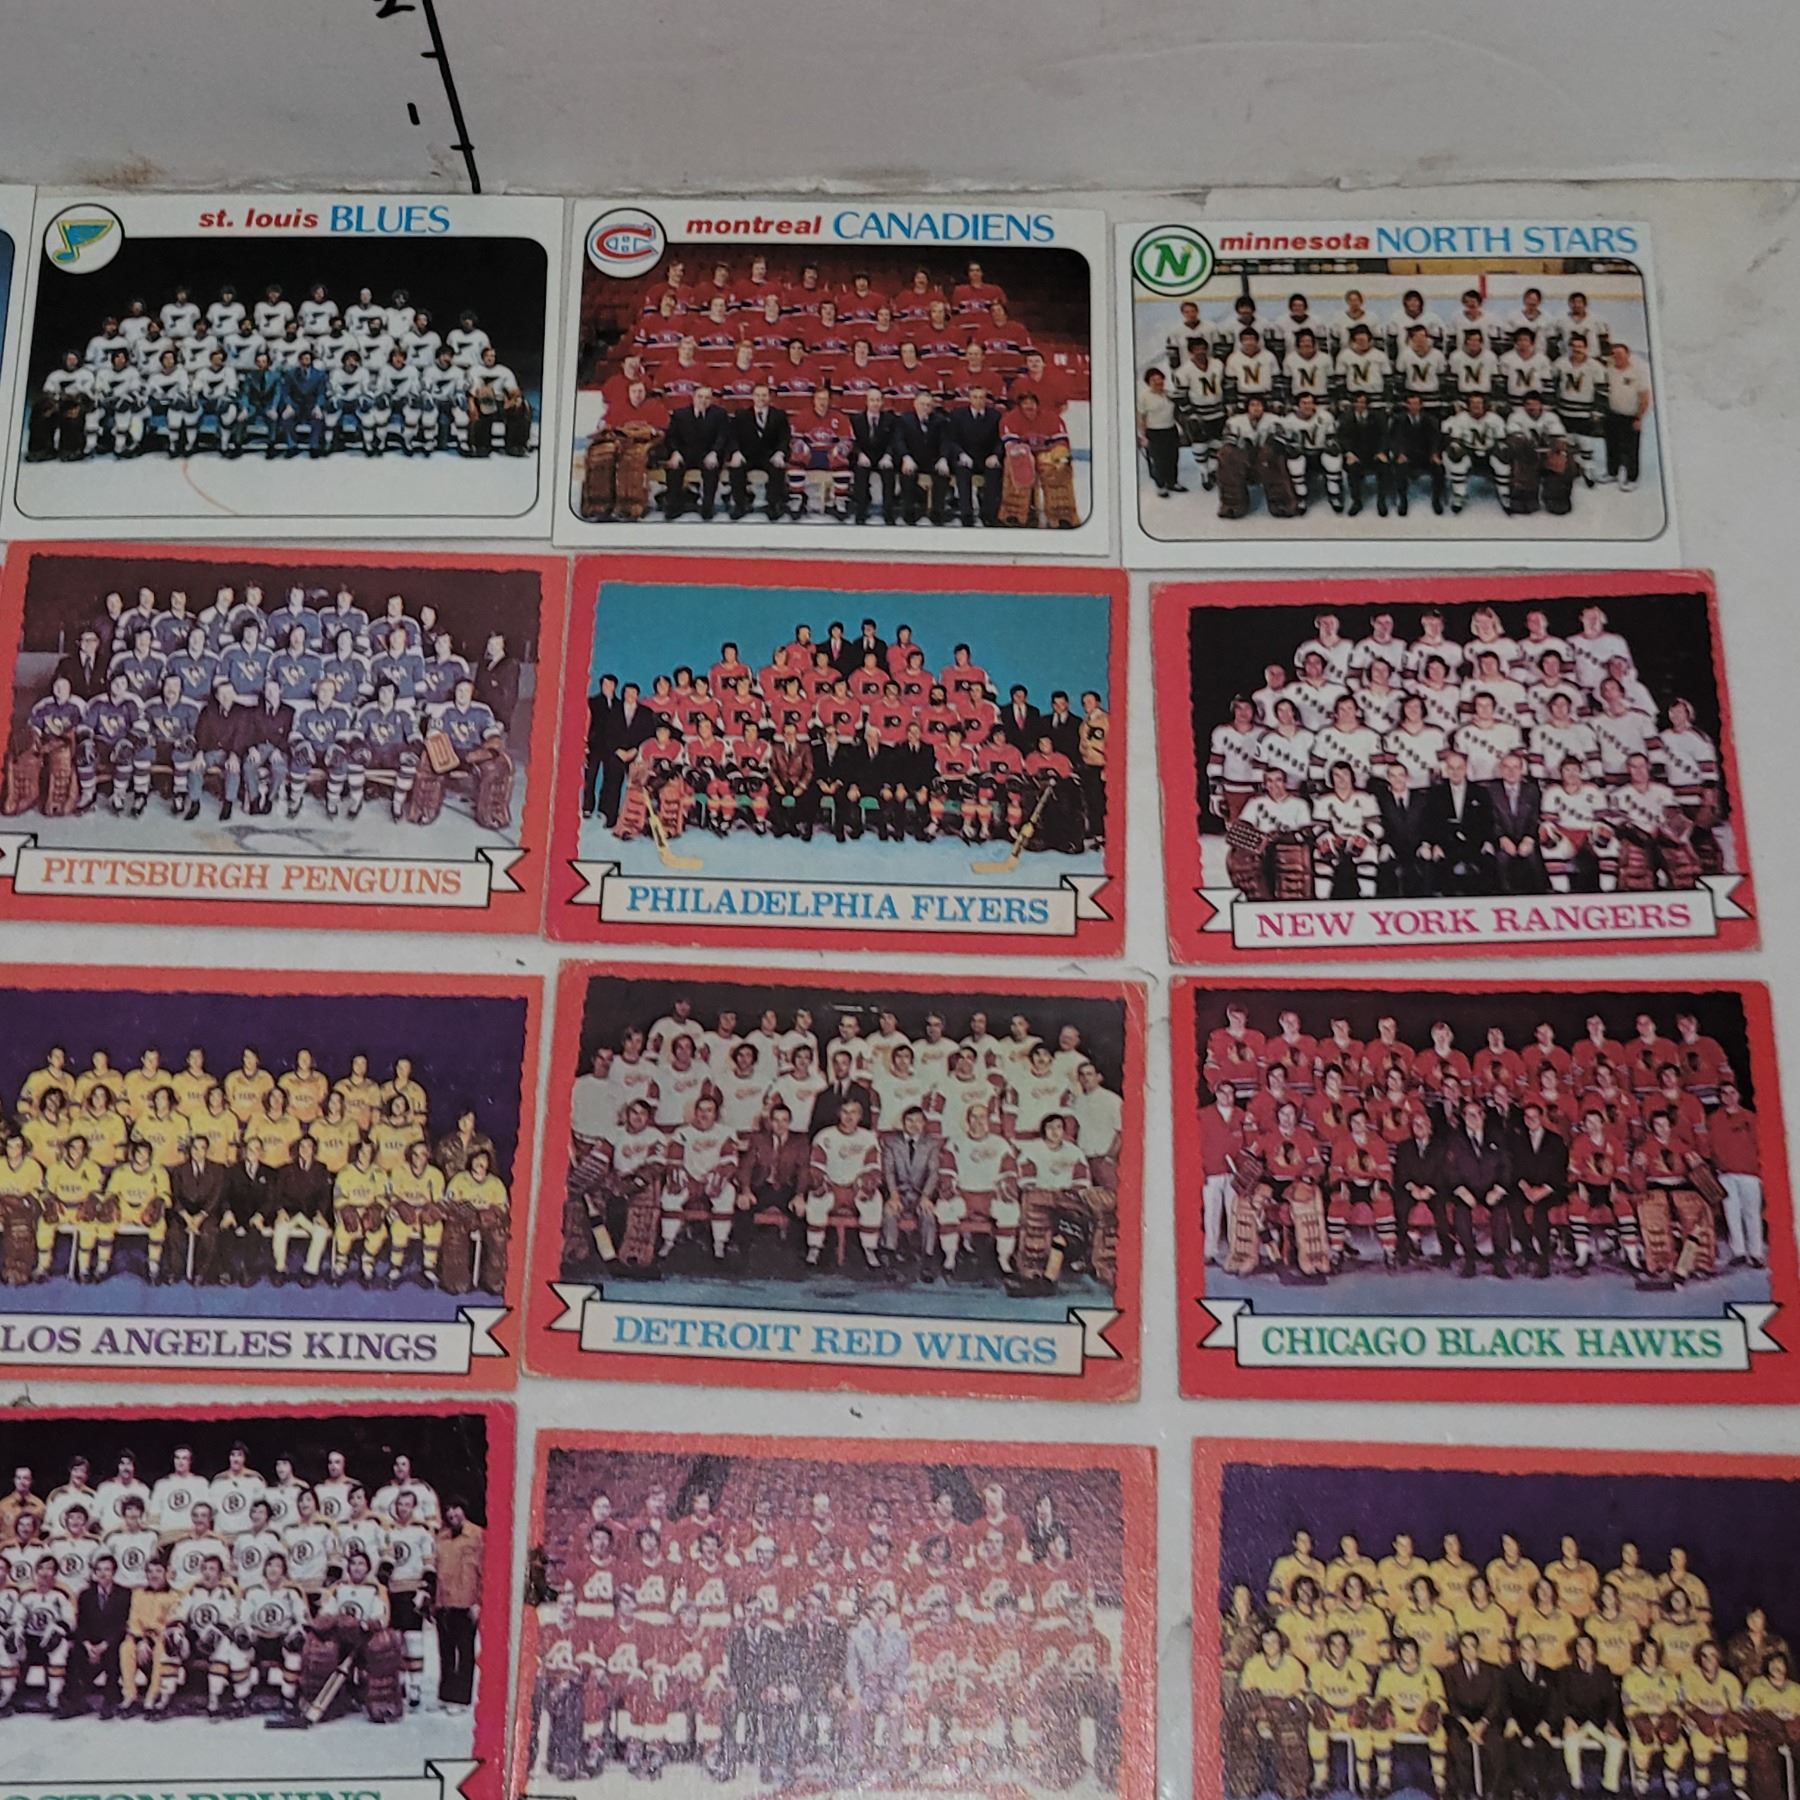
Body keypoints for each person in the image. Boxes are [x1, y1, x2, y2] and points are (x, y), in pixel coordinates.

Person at [728, 381, 791, 521]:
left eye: (764, 395)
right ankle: (740, 504)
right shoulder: (742, 415)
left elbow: (785, 437)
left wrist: (780, 453)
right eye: (758, 395)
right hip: (747, 455)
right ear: (752, 397)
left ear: (769, 397)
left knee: (778, 468)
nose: (761, 398)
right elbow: (733, 437)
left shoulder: (779, 415)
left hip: (769, 455)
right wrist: (735, 452)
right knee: (736, 468)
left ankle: (773, 505)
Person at [1602, 343, 1652, 491]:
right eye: (1614, 354)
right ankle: (1612, 473)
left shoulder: (1637, 373)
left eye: (1620, 354)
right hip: (1612, 414)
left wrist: (1639, 418)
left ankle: (1631, 478)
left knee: (1631, 449)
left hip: (1631, 416)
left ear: (1628, 355)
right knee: (1612, 446)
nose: (1617, 357)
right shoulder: (1608, 371)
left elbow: (1644, 397)